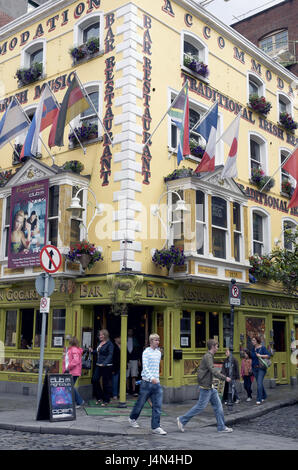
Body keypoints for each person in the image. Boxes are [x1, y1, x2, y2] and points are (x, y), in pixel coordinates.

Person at [177, 339, 233, 433]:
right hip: (205, 386)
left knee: (218, 406)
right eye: (217, 346)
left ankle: (221, 427)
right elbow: (213, 370)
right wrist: (224, 378)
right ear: (213, 347)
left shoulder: (209, 356)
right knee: (200, 406)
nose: (218, 348)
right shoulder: (208, 357)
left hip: (210, 386)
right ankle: (182, 420)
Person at [128, 333, 167, 435]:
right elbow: (145, 367)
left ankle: (156, 426)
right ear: (151, 341)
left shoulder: (159, 353)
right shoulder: (146, 352)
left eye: (158, 340)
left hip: (156, 383)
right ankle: (132, 418)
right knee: (140, 403)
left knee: (157, 405)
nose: (158, 342)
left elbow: (157, 367)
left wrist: (156, 378)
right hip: (146, 382)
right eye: (155, 340)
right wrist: (151, 378)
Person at [90, 329, 114, 406]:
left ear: (105, 335)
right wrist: (92, 351)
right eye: (99, 335)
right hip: (99, 365)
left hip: (106, 366)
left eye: (101, 335)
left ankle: (106, 400)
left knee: (105, 383)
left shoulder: (110, 344)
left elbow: (110, 355)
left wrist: (105, 363)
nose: (100, 336)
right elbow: (97, 352)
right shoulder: (100, 343)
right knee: (94, 380)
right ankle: (99, 397)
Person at [62, 336, 85, 408]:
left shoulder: (74, 350)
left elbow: (76, 361)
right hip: (70, 371)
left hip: (73, 371)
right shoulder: (71, 349)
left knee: (69, 386)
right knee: (69, 386)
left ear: (71, 342)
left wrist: (68, 367)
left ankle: (80, 401)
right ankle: (74, 401)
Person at [251, 336, 270, 405]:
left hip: (261, 368)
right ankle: (264, 395)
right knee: (260, 383)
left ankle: (259, 399)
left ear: (257, 341)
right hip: (254, 368)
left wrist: (260, 355)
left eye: (253, 340)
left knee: (259, 383)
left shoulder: (263, 348)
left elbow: (268, 355)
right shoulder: (253, 349)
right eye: (252, 340)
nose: (252, 341)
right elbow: (252, 358)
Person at [126, 328, 141, 396]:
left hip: (134, 359)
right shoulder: (124, 339)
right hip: (126, 360)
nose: (130, 332)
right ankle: (127, 390)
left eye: (131, 331)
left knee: (134, 375)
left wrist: (139, 360)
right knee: (126, 376)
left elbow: (138, 351)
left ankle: (134, 390)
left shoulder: (135, 340)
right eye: (129, 331)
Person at [112, 336, 121, 400]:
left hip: (121, 366)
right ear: (115, 338)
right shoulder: (113, 346)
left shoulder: (123, 345)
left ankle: (120, 393)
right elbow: (113, 358)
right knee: (115, 381)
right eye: (119, 337)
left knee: (121, 381)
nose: (120, 339)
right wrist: (113, 368)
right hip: (115, 366)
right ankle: (114, 394)